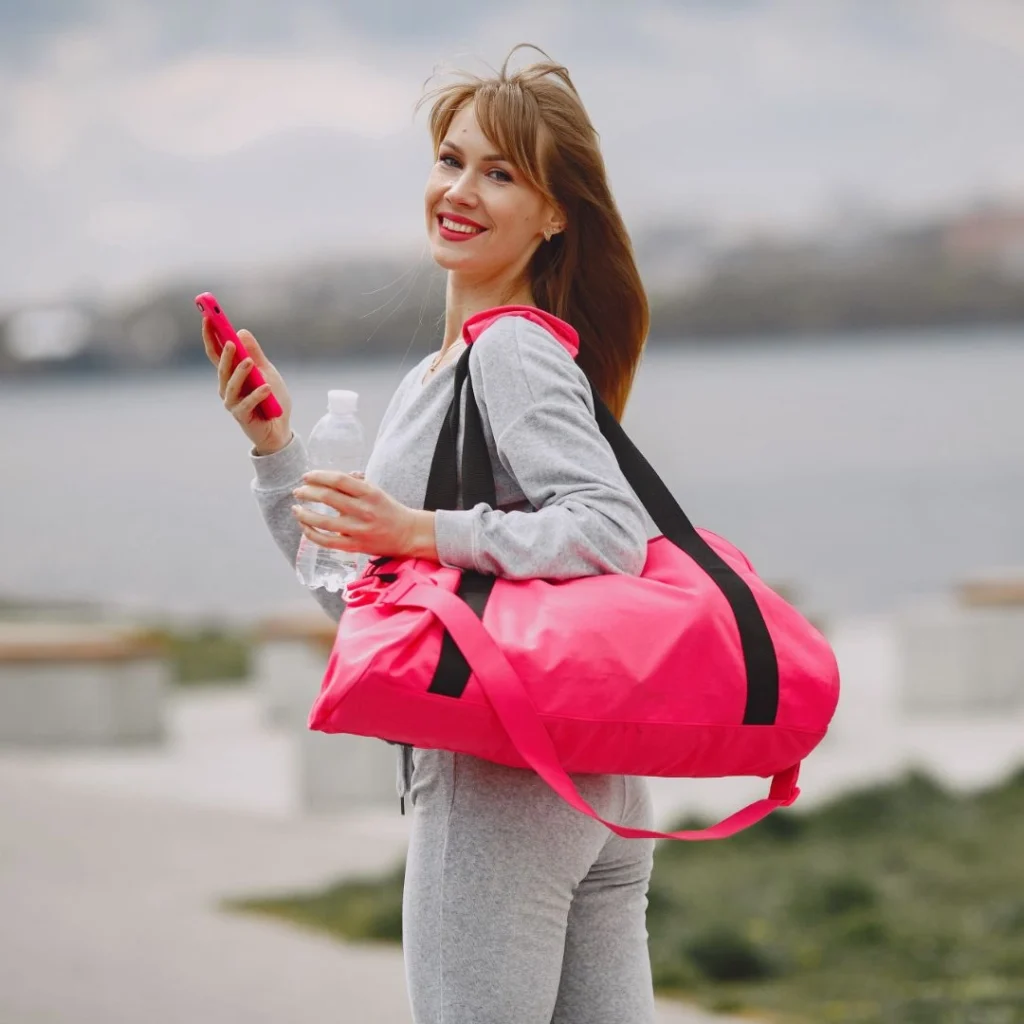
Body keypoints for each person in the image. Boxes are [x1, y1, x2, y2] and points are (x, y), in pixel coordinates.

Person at [203, 43, 660, 1024]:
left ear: (554, 214)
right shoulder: (446, 374)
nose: (459, 189)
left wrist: (423, 528)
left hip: (499, 786)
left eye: (500, 172)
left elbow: (611, 531)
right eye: (450, 159)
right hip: (590, 786)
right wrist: (276, 449)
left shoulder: (510, 358)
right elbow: (364, 594)